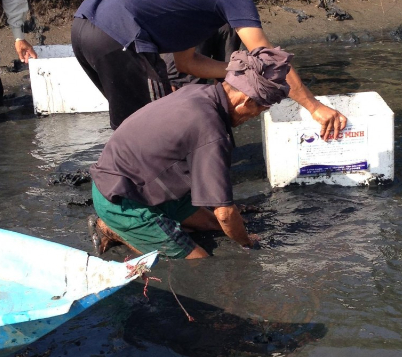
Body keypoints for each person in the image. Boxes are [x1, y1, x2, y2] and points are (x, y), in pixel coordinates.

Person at [71, 0, 346, 137]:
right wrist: (314, 106)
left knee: (132, 126)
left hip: (82, 29)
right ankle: (143, 206)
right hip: (118, 38)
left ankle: (131, 199)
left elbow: (186, 63)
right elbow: (272, 61)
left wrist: (242, 71)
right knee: (149, 130)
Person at [87, 46, 292, 259]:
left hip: (127, 179)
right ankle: (112, 228)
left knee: (212, 224)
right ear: (245, 101)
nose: (254, 116)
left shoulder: (198, 93)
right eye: (259, 110)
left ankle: (146, 224)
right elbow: (224, 214)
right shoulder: (211, 130)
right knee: (198, 261)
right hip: (119, 199)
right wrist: (247, 243)